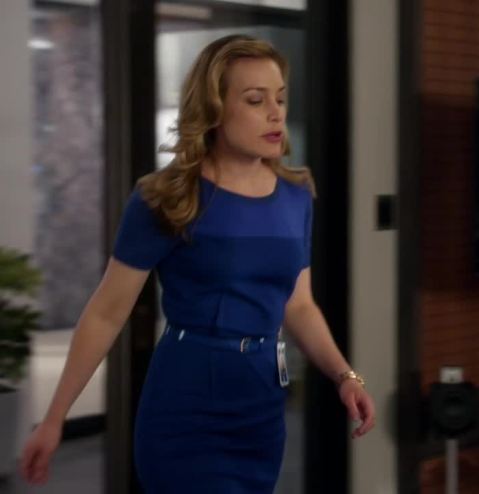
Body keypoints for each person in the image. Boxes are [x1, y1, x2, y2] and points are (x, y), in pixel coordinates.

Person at [19, 34, 375, 492]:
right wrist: (54, 419)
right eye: (255, 100)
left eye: (281, 98)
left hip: (261, 404)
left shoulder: (296, 194)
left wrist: (345, 376)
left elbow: (299, 305)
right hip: (188, 404)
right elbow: (106, 313)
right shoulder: (168, 197)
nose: (276, 113)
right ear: (214, 108)